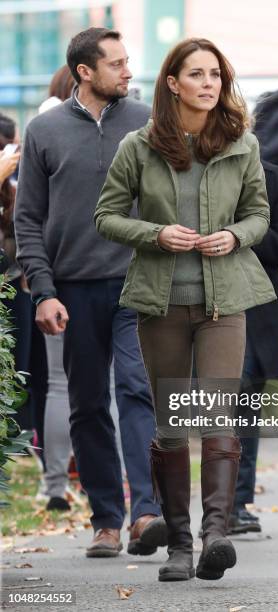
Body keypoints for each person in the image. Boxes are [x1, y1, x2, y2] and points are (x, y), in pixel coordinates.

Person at [95, 37, 275, 582]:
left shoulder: (242, 143)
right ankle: (177, 545)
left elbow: (259, 213)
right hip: (161, 301)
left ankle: (214, 535)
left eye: (216, 74)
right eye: (197, 74)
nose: (209, 84)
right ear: (173, 83)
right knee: (173, 426)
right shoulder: (138, 145)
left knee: (216, 416)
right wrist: (156, 234)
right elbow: (106, 216)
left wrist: (235, 236)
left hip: (226, 302)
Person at [14, 27, 167, 558]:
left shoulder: (148, 121)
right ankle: (106, 518)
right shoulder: (45, 131)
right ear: (85, 72)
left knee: (135, 388)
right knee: (86, 404)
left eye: (128, 62)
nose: (128, 71)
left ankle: (146, 512)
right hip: (71, 289)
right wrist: (45, 291)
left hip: (138, 282)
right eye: (117, 64)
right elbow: (29, 218)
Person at [230, 161, 278, 534]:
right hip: (206, 302)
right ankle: (219, 503)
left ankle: (237, 502)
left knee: (246, 403)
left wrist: (245, 232)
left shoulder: (270, 176)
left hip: (258, 308)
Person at [0, 114, 48, 463]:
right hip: (12, 283)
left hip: (17, 283)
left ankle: (23, 435)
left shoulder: (13, 186)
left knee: (24, 366)